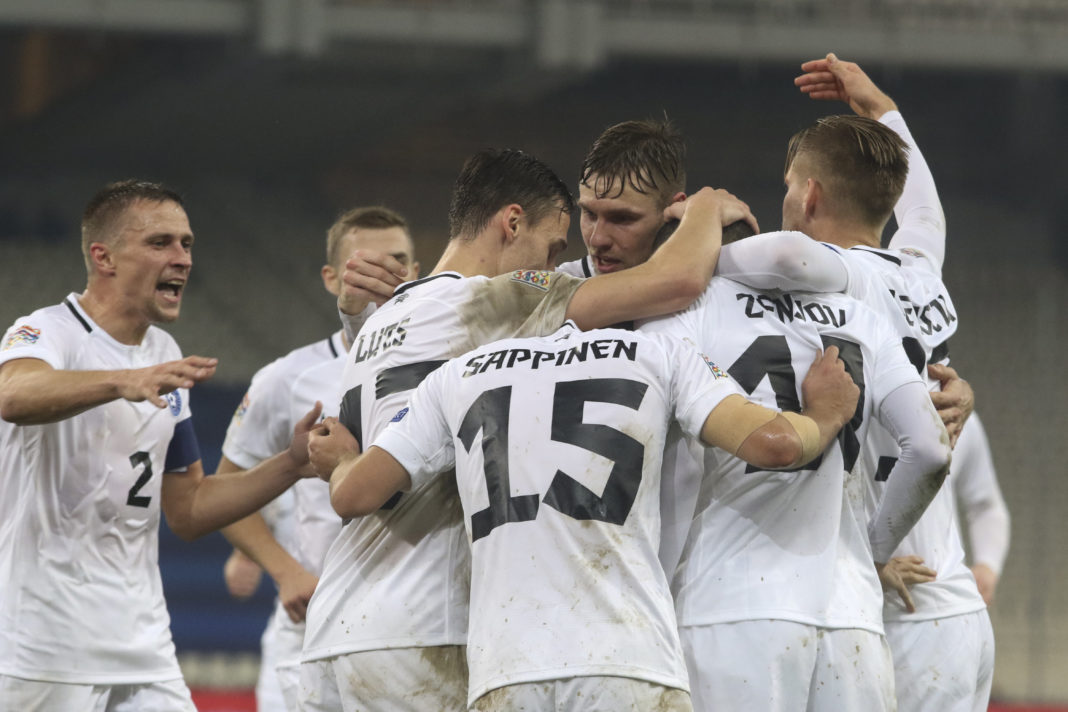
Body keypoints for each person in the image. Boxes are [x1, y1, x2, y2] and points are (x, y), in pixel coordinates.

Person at [296, 148, 756, 711]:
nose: (557, 263)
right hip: (426, 623)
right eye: (554, 247)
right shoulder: (494, 302)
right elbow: (677, 279)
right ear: (512, 223)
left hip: (335, 622)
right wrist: (706, 208)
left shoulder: (380, 319)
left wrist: (342, 458)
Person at [311, 321, 859, 711]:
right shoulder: (659, 351)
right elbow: (775, 444)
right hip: (629, 661)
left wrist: (340, 462)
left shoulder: (459, 374)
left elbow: (354, 495)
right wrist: (827, 414)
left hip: (505, 672)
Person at [715, 54, 992, 711]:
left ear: (810, 196)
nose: (785, 198)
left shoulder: (844, 275)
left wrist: (695, 243)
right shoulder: (919, 271)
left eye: (789, 185)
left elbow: (786, 253)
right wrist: (882, 108)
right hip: (949, 606)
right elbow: (924, 211)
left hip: (899, 601)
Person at [0, 180, 320, 712]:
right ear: (103, 257)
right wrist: (121, 380)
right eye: (160, 242)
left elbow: (188, 509)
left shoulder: (162, 353)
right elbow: (12, 395)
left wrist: (289, 464)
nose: (182, 258)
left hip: (142, 644)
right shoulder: (47, 331)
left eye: (186, 243)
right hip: (42, 643)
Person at [642, 219, 952, 711]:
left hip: (729, 607)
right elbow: (931, 450)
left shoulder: (682, 313)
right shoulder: (862, 317)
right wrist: (873, 556)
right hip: (853, 617)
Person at [217, 206, 419, 711]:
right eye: (363, 265)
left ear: (417, 272)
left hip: (415, 623)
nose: (382, 276)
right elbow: (223, 494)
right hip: (310, 631)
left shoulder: (451, 370)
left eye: (396, 262)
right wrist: (284, 571)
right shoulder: (288, 379)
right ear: (331, 279)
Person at [950, 411, 1010, 606]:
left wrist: (987, 564)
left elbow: (985, 506)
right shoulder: (863, 415)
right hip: (870, 602)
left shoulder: (959, 416)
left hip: (946, 605)